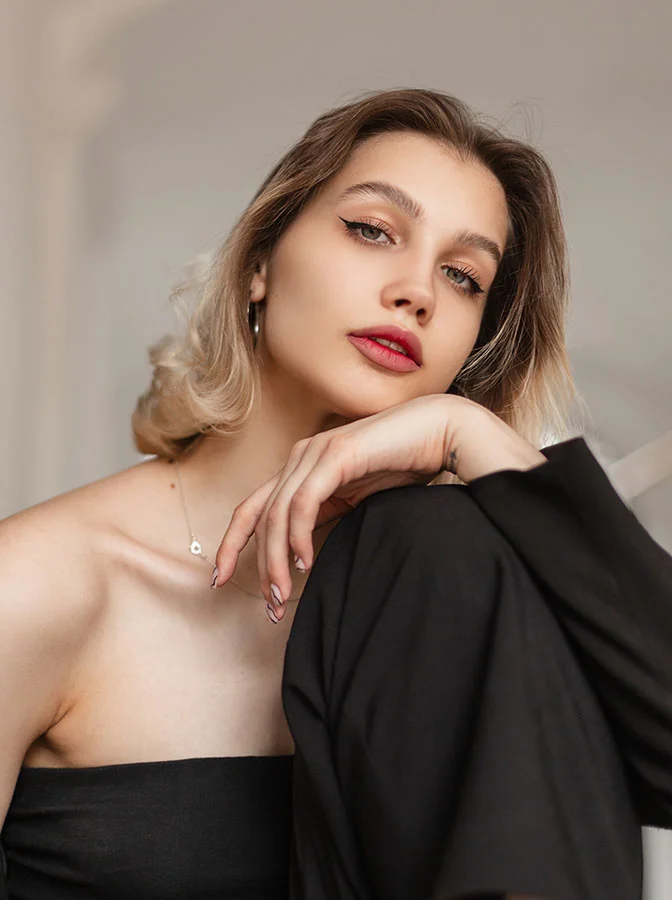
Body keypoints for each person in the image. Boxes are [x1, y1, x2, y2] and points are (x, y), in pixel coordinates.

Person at [0, 87, 670, 900]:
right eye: (372, 230)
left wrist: (475, 437)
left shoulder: (467, 581)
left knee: (444, 536)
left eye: (462, 276)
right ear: (258, 266)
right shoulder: (39, 586)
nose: (416, 291)